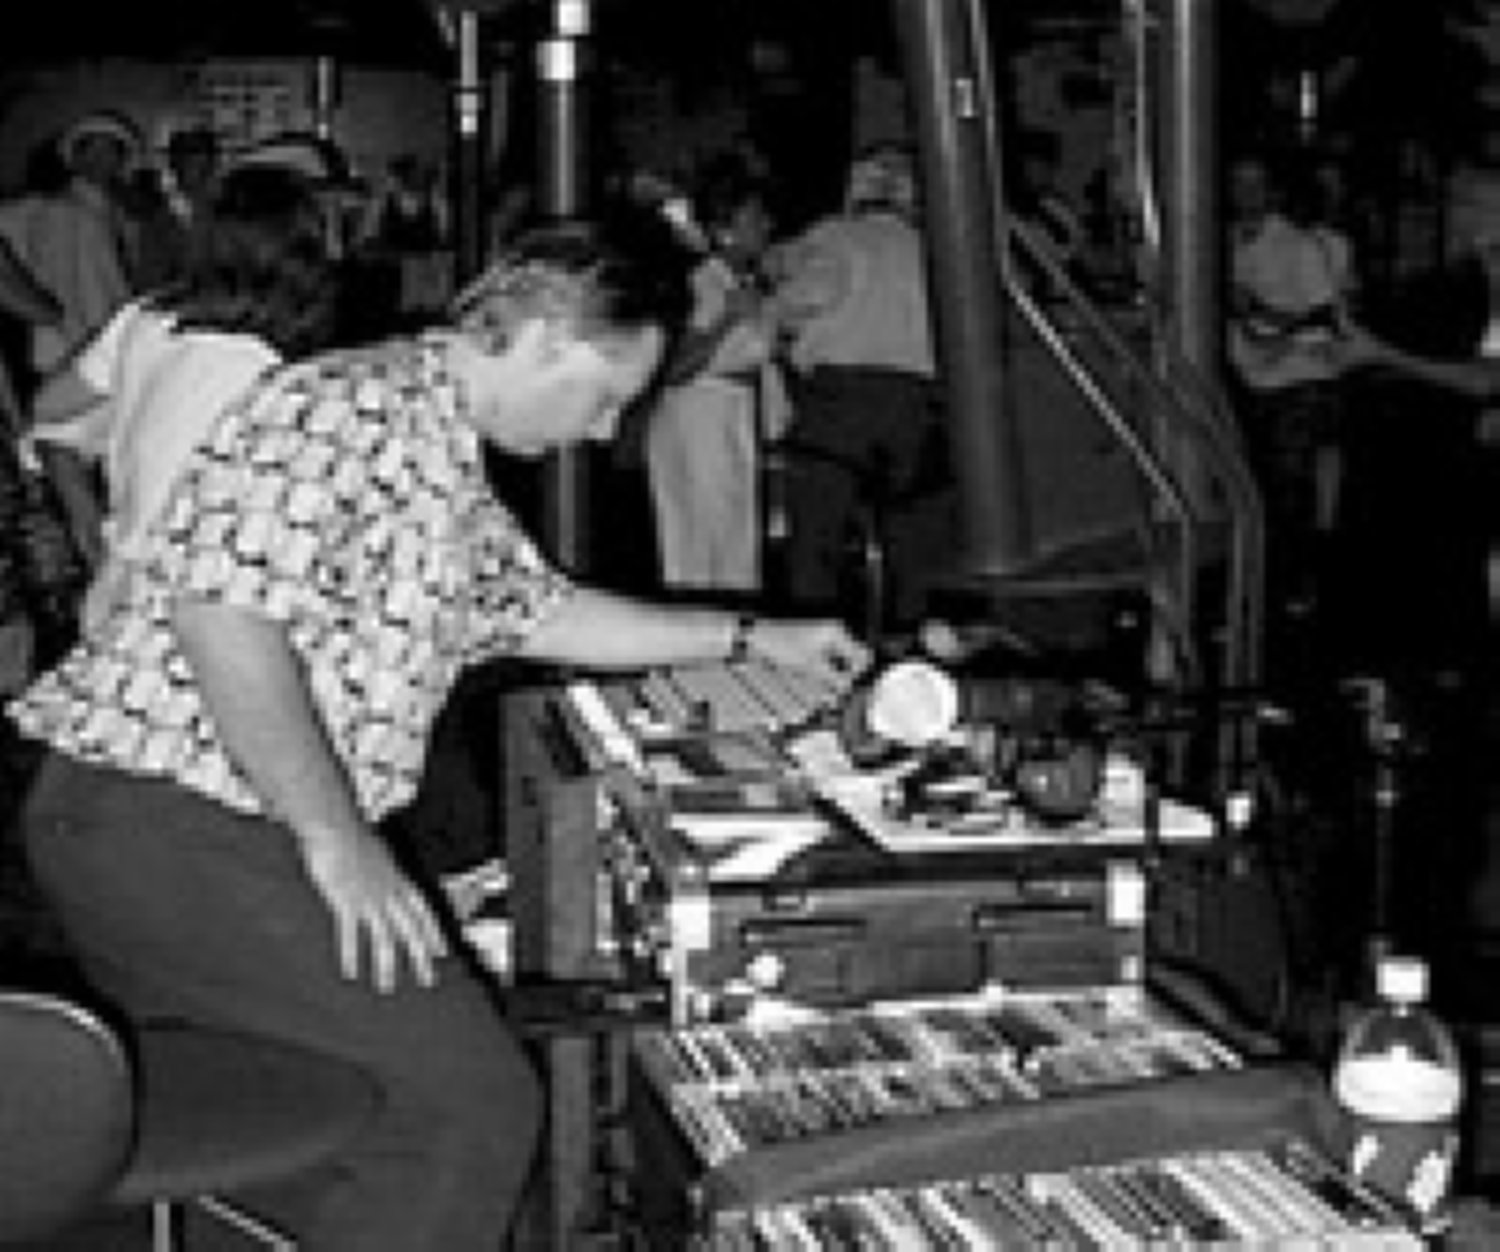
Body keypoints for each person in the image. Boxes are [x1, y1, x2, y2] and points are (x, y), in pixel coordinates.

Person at [7, 215, 870, 1250]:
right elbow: (222, 617)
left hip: (179, 824)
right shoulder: (351, 407)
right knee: (474, 1109)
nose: (604, 432)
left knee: (368, 1108)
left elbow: (541, 611)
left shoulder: (428, 438)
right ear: (543, 338)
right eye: (605, 396)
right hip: (168, 823)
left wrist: (755, 637)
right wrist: (340, 842)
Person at [25, 163, 342, 633]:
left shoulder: (144, 318)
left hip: (122, 586)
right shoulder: (283, 364)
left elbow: (50, 405)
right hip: (219, 604)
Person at [765, 142, 952, 630]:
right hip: (916, 402)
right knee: (910, 531)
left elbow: (807, 296)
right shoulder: (934, 248)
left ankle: (814, 633)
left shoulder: (834, 237)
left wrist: (775, 313)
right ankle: (909, 633)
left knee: (817, 529)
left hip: (841, 401)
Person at [644, 151, 788, 593]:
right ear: (726, 230)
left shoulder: (746, 282)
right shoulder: (702, 283)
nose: (767, 226)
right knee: (705, 534)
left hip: (734, 415)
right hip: (701, 414)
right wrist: (727, 319)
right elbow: (674, 366)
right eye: (755, 218)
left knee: (736, 533)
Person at [0, 110, 143, 378]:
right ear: (74, 158)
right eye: (92, 150)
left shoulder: (118, 215)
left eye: (110, 151)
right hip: (74, 347)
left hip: (105, 343)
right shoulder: (54, 211)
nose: (101, 159)